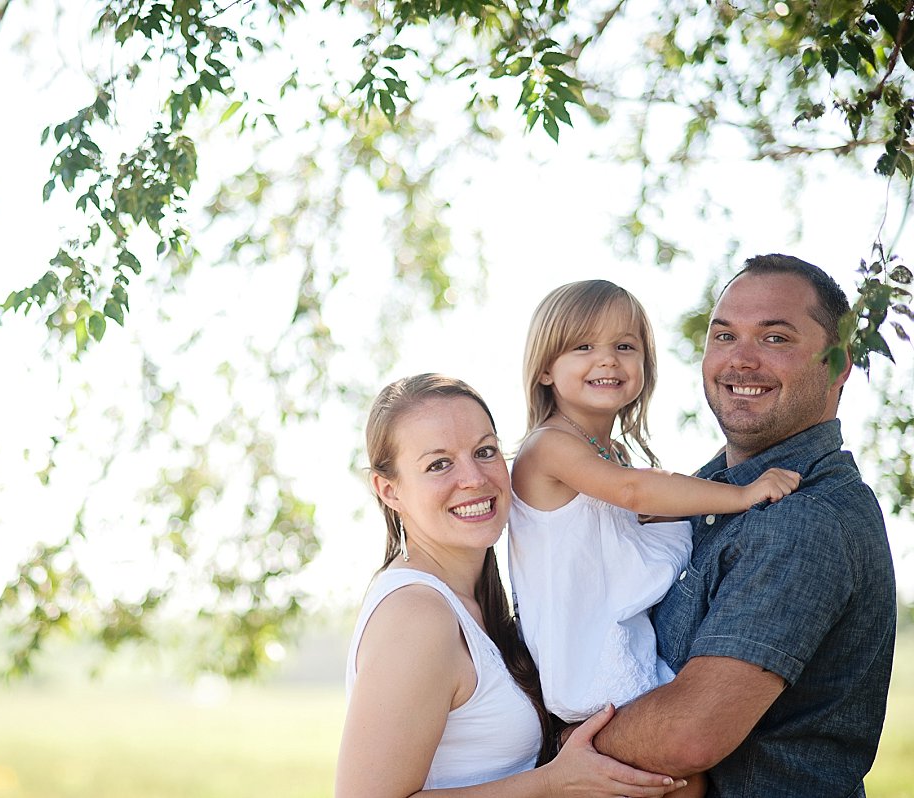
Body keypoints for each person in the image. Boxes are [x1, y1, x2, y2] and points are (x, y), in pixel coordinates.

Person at [590, 255, 897, 797]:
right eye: (724, 336)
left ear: (838, 365)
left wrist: (556, 745)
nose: (740, 360)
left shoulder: (804, 518)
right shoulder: (708, 492)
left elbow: (688, 734)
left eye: (775, 338)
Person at [335, 373, 686, 798]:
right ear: (389, 490)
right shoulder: (416, 616)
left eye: (485, 451)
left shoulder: (477, 600)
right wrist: (553, 783)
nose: (474, 478)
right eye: (439, 464)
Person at [508, 280, 799, 724]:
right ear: (545, 369)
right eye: (583, 346)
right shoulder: (548, 446)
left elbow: (653, 500)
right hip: (580, 664)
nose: (608, 359)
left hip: (618, 647)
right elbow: (635, 492)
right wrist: (742, 494)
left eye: (625, 346)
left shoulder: (613, 456)